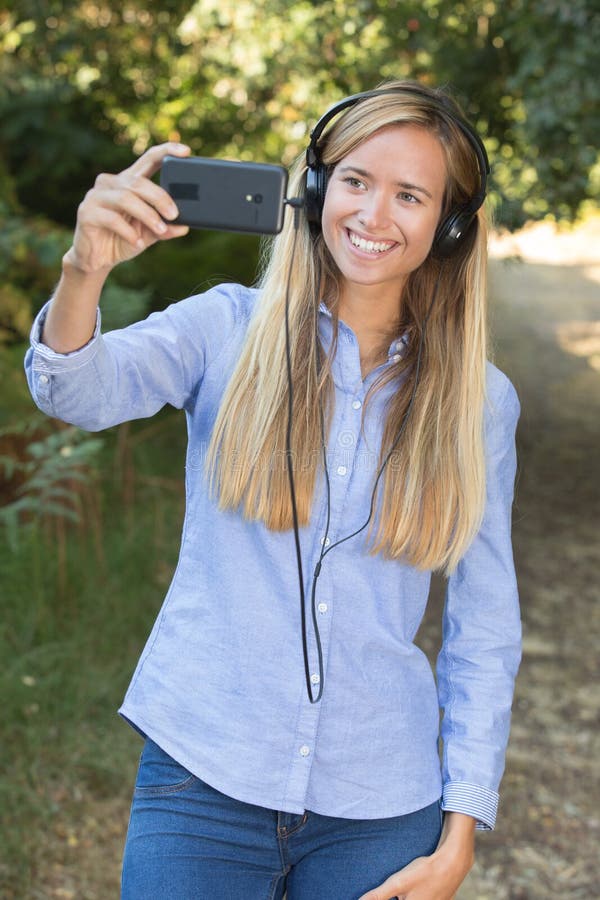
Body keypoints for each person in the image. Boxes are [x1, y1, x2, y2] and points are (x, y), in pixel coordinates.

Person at [25, 80, 522, 900]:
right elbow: (73, 392)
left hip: (382, 809)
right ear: (318, 188)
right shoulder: (223, 328)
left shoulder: (480, 404)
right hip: (201, 782)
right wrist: (85, 269)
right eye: (357, 181)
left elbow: (486, 625)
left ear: (450, 226)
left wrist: (460, 833)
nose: (373, 215)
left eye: (411, 195)